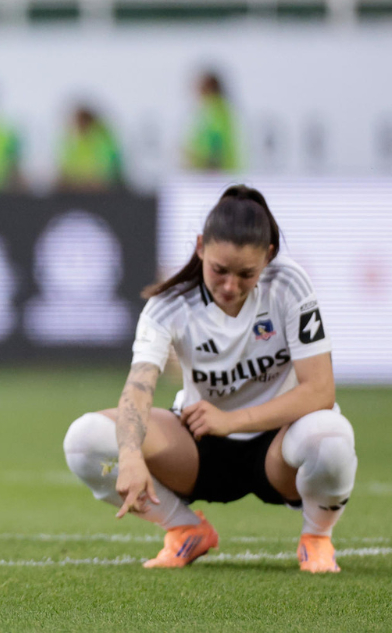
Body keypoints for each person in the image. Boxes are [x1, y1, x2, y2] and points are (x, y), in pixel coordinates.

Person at [62, 185, 357, 573]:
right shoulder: (168, 305)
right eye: (219, 270)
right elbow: (138, 388)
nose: (230, 287)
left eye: (246, 274)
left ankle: (316, 538)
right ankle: (184, 529)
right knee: (84, 443)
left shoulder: (288, 284)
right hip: (199, 449)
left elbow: (320, 389)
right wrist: (131, 454)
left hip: (279, 450)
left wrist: (230, 419)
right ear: (200, 246)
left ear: (268, 256)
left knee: (331, 437)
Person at [56, 104, 122, 192]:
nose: (78, 125)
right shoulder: (73, 139)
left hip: (102, 190)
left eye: (81, 121)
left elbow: (108, 169)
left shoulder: (102, 138)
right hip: (77, 187)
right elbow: (66, 166)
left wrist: (86, 178)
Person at [185, 70, 241, 173]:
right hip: (220, 174)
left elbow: (216, 149)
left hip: (219, 175)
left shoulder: (216, 112)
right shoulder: (217, 110)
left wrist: (193, 157)